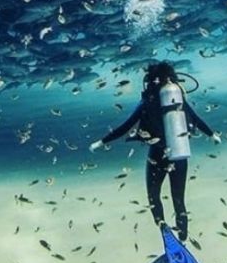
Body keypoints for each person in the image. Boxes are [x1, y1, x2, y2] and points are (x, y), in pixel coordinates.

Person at [89, 61, 219, 242]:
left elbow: (126, 126)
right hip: (179, 153)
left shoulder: (148, 100)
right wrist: (212, 135)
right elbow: (196, 119)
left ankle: (164, 231)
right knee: (179, 199)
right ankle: (183, 239)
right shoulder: (177, 98)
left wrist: (101, 142)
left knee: (153, 196)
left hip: (157, 156)